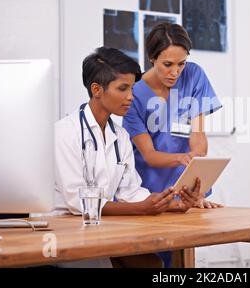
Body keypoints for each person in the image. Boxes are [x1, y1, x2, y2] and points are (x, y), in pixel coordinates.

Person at [54, 47, 201, 268]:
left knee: (152, 265)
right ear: (97, 90)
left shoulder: (120, 135)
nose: (131, 96)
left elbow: (131, 192)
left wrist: (173, 204)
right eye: (123, 88)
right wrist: (142, 208)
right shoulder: (65, 132)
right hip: (64, 230)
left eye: (132, 88)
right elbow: (78, 202)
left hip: (102, 228)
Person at [122, 22, 223, 209]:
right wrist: (182, 158)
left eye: (181, 63)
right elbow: (149, 155)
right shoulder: (132, 94)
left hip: (186, 194)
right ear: (152, 58)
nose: (175, 72)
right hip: (150, 195)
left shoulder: (194, 75)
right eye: (167, 64)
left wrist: (197, 165)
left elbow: (198, 134)